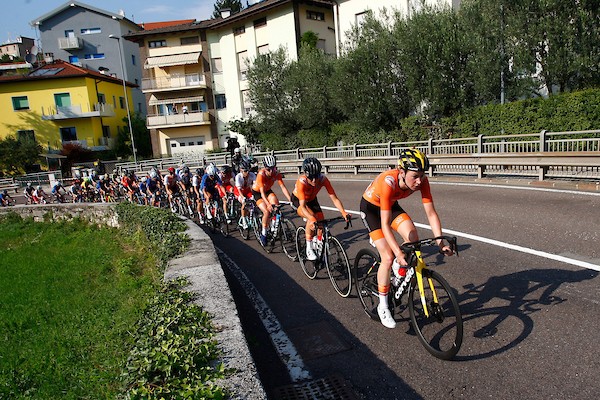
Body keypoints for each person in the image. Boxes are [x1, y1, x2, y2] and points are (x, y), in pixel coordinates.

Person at [360, 148, 454, 329]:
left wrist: (440, 242)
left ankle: (398, 269)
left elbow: (431, 213)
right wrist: (397, 252)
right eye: (415, 176)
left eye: (422, 175)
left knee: (413, 238)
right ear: (401, 172)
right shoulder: (388, 182)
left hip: (391, 206)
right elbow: (385, 224)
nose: (419, 181)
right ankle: (383, 305)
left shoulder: (422, 181)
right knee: (387, 256)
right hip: (371, 209)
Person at [291, 157, 351, 261]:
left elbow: (334, 198)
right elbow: (303, 206)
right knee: (312, 218)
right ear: (306, 175)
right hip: (299, 201)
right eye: (311, 178)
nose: (314, 180)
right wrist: (311, 218)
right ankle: (309, 248)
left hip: (312, 199)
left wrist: (343, 212)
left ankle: (318, 245)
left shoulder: (323, 179)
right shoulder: (302, 182)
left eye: (316, 176)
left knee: (321, 223)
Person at [251, 155, 292, 246]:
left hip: (267, 190)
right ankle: (263, 233)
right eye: (268, 169)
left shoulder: (276, 173)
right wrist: (268, 204)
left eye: (273, 169)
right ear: (265, 168)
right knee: (266, 211)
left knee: (276, 205)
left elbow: (283, 187)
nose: (271, 172)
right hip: (258, 193)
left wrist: (290, 200)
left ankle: (274, 227)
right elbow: (261, 193)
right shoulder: (261, 174)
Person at [234, 160, 256, 229]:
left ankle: (250, 217)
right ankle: (243, 220)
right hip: (239, 191)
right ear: (241, 170)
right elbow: (239, 189)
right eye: (245, 171)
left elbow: (255, 185)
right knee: (244, 202)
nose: (247, 173)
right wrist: (243, 197)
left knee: (253, 200)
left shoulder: (252, 175)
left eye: (248, 170)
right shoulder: (238, 177)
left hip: (247, 190)